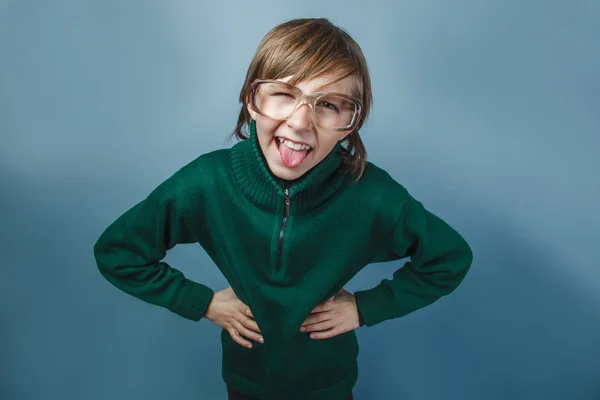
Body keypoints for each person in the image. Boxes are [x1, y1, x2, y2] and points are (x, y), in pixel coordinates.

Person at [93, 18, 473, 400]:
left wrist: (364, 307)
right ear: (252, 100)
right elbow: (118, 252)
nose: (300, 121)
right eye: (284, 94)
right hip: (245, 381)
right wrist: (202, 302)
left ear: (350, 124)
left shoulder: (373, 196)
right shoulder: (206, 182)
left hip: (328, 385)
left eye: (328, 104)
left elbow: (449, 258)